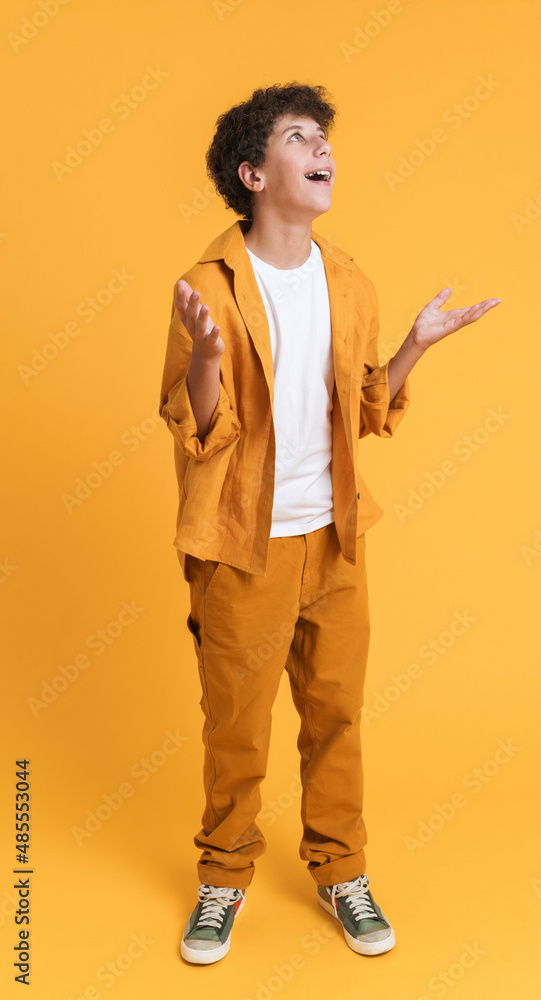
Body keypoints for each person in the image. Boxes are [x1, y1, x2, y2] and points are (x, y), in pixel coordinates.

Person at [159, 81, 501, 966]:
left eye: (325, 138)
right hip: (241, 547)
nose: (324, 151)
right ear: (253, 172)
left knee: (336, 718)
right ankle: (222, 879)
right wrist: (204, 357)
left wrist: (416, 343)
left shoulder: (348, 280)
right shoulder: (208, 287)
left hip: (336, 542)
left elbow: (360, 412)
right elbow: (201, 429)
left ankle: (340, 870)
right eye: (300, 138)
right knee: (235, 727)